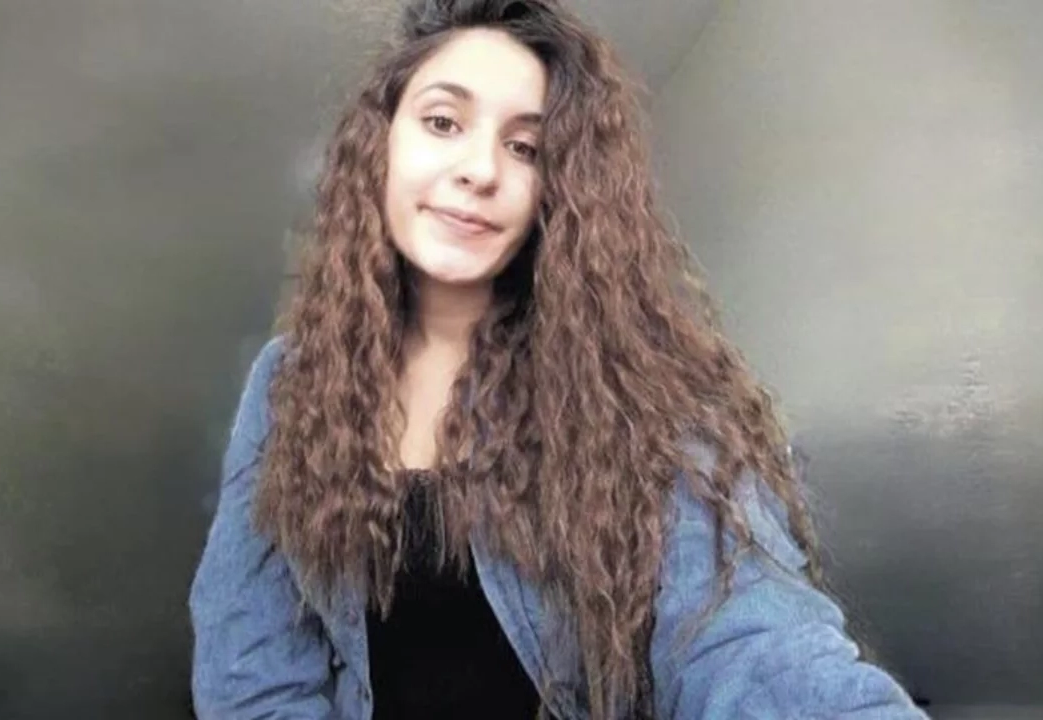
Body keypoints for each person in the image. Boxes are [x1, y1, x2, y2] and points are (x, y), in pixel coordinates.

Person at [188, 1, 928, 718]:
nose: (481, 169)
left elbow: (752, 646)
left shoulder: (637, 382)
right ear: (381, 143)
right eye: (443, 122)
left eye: (526, 148)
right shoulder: (288, 381)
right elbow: (249, 668)